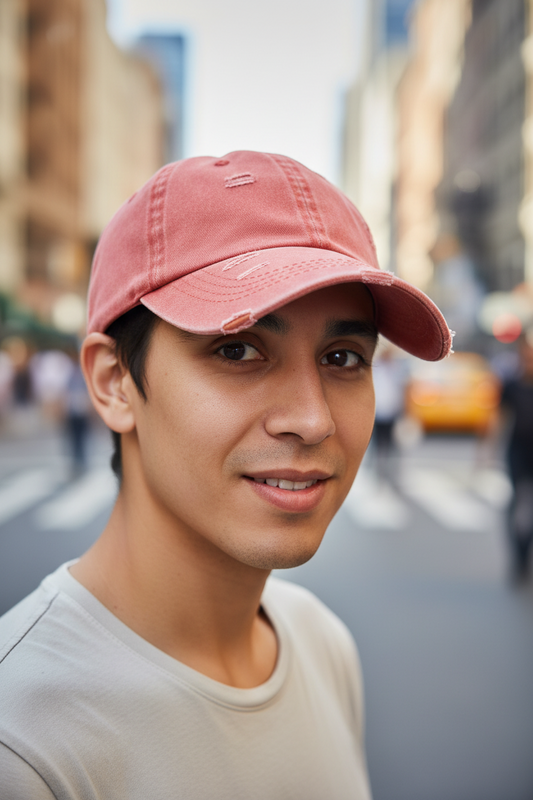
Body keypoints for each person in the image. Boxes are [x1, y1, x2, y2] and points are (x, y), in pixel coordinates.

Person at [0, 151, 452, 799]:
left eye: (343, 357)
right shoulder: (23, 740)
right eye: (237, 349)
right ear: (113, 382)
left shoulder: (320, 642)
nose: (312, 418)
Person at [500, 331, 533, 579]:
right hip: (517, 451)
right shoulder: (511, 384)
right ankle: (518, 556)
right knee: (518, 502)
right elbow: (498, 419)